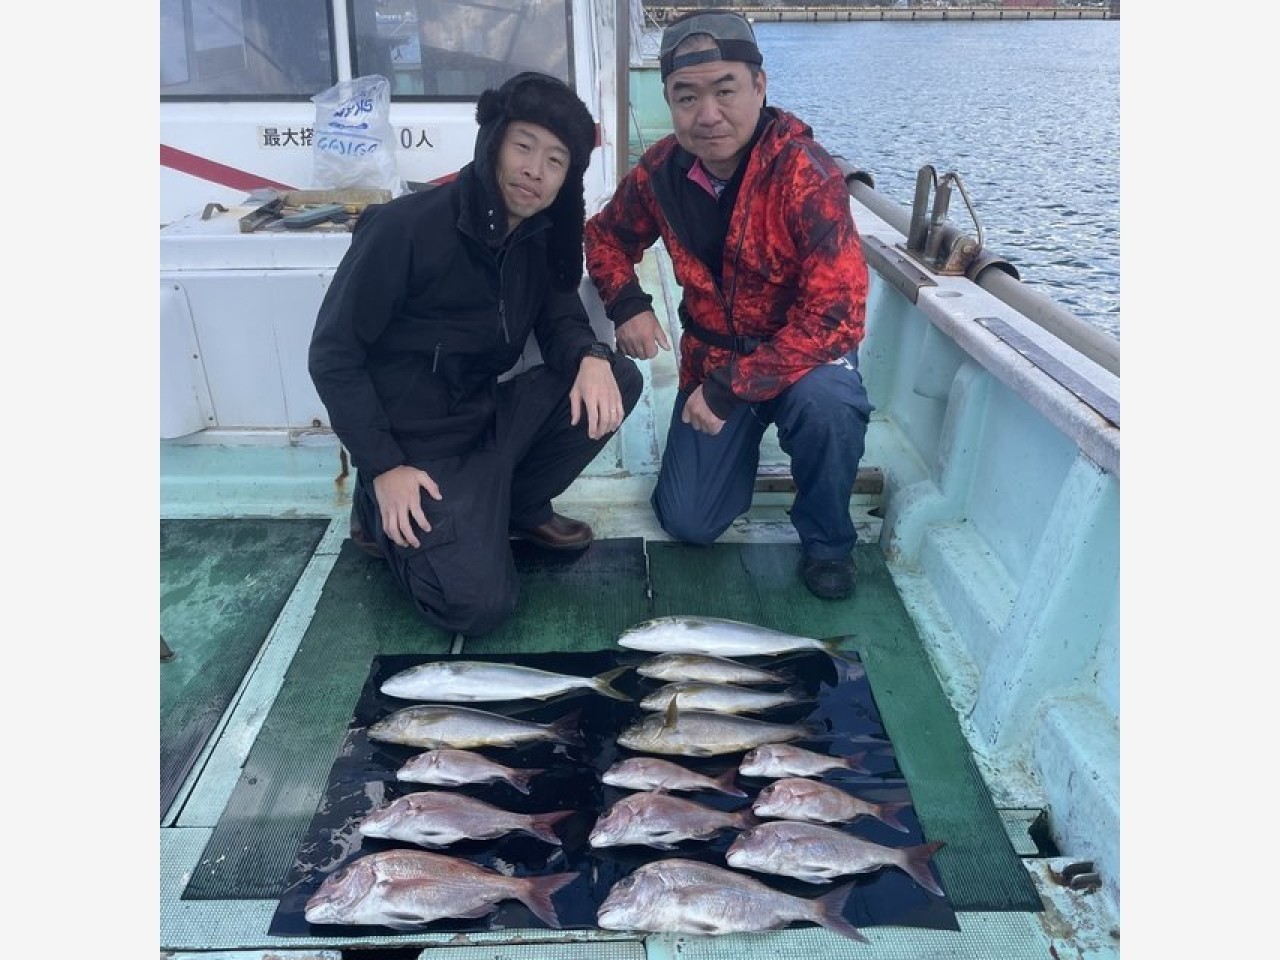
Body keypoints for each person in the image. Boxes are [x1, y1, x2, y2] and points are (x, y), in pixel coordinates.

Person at [309, 71, 642, 637]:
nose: (535, 170)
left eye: (556, 161)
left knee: (619, 379)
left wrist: (590, 355)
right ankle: (376, 513)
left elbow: (560, 315)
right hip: (417, 449)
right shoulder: (404, 229)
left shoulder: (538, 237)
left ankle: (512, 507)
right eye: (524, 147)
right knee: (477, 608)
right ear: (493, 144)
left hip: (485, 419)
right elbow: (334, 354)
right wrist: (384, 466)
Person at [583, 11, 872, 601]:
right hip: (710, 361)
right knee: (689, 522)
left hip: (797, 365)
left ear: (760, 86)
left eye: (725, 90)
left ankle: (828, 542)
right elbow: (605, 236)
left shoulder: (804, 175)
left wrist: (730, 390)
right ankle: (731, 460)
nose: (707, 114)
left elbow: (837, 315)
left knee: (829, 404)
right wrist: (627, 302)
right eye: (686, 97)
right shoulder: (659, 171)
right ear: (667, 99)